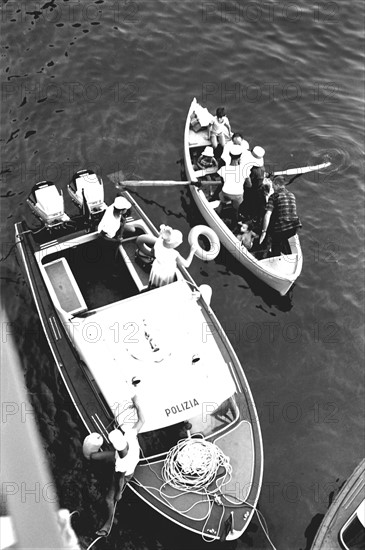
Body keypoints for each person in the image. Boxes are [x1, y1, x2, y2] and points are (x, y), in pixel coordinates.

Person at [88, 395, 145, 537]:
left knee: (108, 499)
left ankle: (108, 525)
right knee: (93, 457)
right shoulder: (129, 436)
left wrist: (119, 493)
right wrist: (136, 404)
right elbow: (142, 420)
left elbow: (119, 480)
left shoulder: (121, 464)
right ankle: (98, 458)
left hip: (125, 473)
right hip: (118, 458)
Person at [259, 177, 302, 256]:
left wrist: (263, 231)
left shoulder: (273, 196)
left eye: (273, 186)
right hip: (295, 228)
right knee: (284, 233)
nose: (272, 188)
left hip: (281, 229)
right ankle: (283, 242)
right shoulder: (292, 195)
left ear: (277, 185)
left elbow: (268, 214)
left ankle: (275, 254)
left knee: (274, 241)